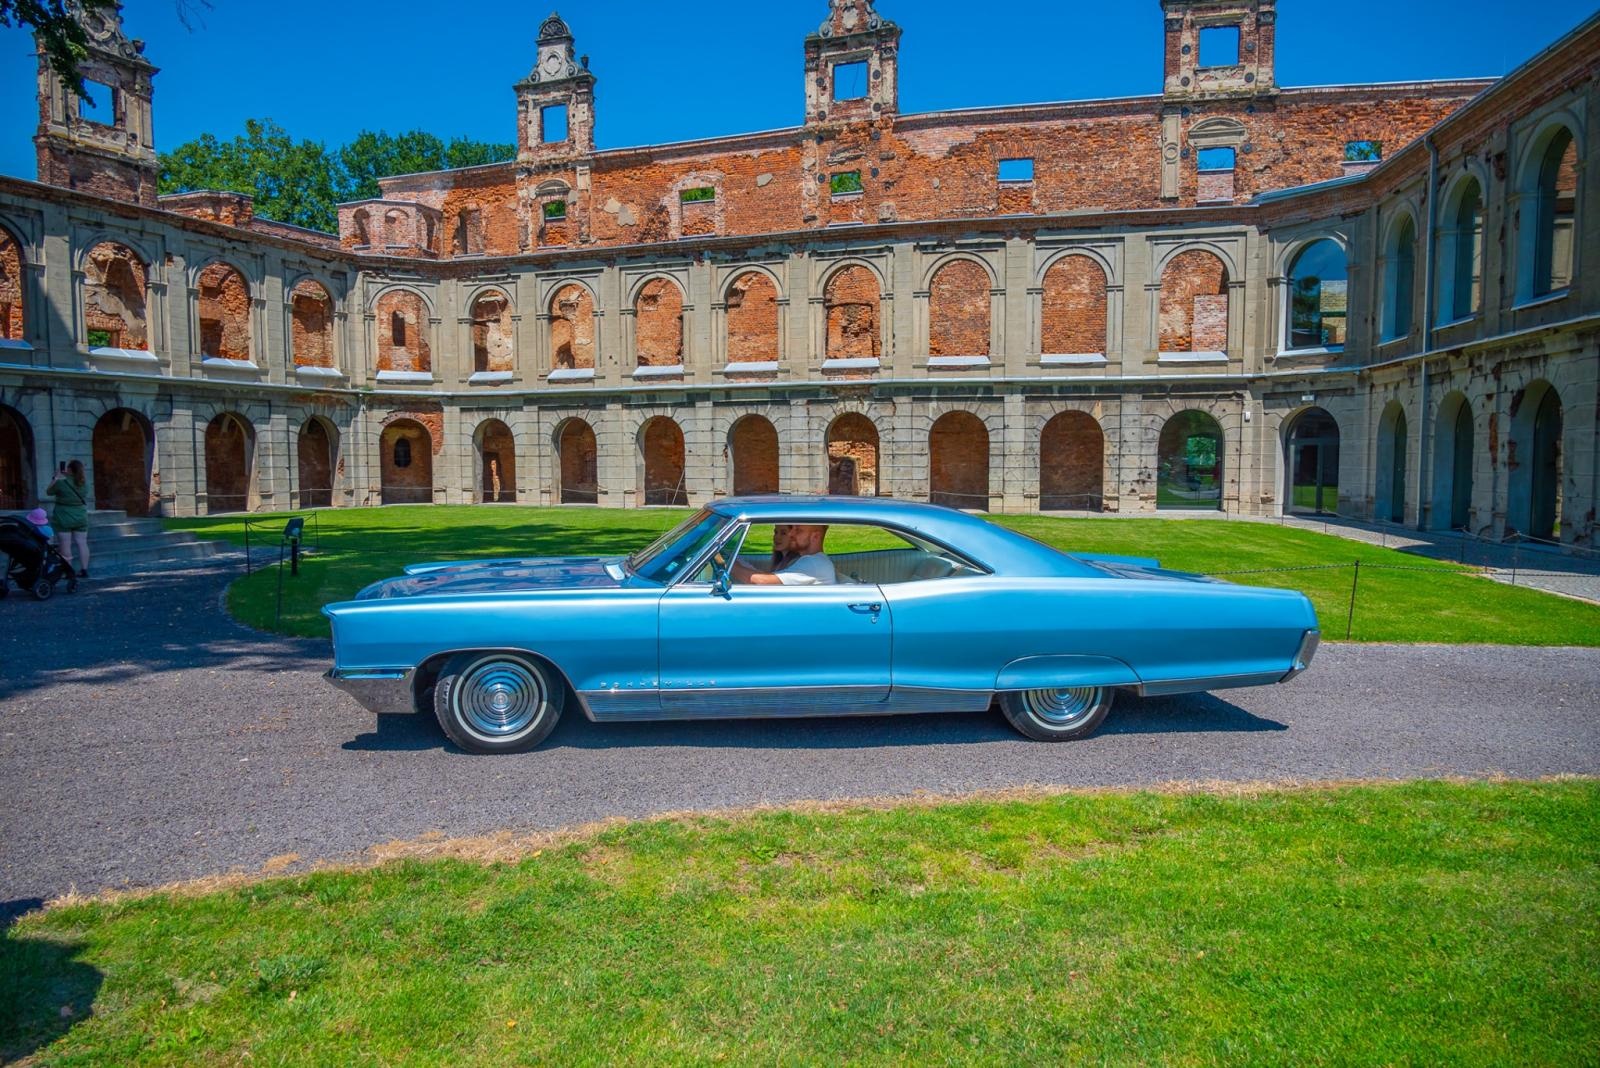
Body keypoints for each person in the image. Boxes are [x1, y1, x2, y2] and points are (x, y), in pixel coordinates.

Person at [729, 524, 836, 586]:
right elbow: (769, 578)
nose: (791, 534)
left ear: (815, 537)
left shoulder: (813, 563)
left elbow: (761, 581)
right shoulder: (815, 561)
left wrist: (729, 565)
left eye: (798, 531)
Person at [45, 459, 90, 578]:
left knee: (65, 544)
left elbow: (49, 492)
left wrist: (55, 477)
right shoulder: (84, 483)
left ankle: (69, 572)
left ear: (69, 469)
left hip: (63, 516)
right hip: (80, 516)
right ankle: (84, 570)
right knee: (82, 543)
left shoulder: (61, 482)